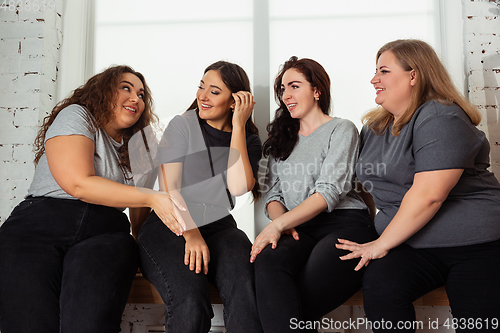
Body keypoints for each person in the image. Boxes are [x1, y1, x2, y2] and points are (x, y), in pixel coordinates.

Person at [0, 65, 182, 333]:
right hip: (38, 226)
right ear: (103, 91)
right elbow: (78, 183)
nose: (136, 98)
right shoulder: (77, 116)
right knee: (29, 323)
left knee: (88, 324)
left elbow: (138, 212)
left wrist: (145, 254)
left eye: (141, 94)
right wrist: (154, 197)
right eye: (126, 88)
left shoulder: (141, 147)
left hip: (105, 232)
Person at [337, 39, 500, 332]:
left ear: (414, 75)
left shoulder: (440, 116)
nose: (374, 79)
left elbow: (429, 195)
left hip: (475, 245)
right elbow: (369, 187)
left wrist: (380, 244)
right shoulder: (374, 127)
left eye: (384, 71)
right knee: (381, 289)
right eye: (375, 71)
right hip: (412, 246)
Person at [136, 61, 263, 333]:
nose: (203, 96)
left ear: (235, 101)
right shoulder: (182, 125)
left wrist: (238, 126)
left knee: (246, 289)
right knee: (191, 299)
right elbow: (170, 188)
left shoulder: (249, 140)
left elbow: (239, 187)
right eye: (201, 87)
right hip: (171, 222)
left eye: (214, 91)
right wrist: (191, 234)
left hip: (219, 224)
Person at [250, 56, 374, 332]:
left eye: (294, 86)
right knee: (268, 261)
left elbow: (329, 190)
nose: (286, 95)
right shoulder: (279, 140)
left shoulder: (341, 129)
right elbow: (272, 194)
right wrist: (283, 226)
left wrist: (279, 225)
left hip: (344, 223)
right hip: (298, 227)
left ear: (316, 90)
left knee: (289, 302)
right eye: (282, 89)